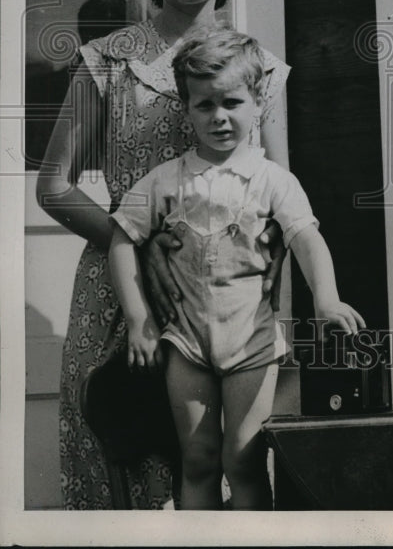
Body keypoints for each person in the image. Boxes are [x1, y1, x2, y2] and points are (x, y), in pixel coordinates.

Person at [36, 0, 288, 509]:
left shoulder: (261, 70)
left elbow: (278, 206)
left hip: (226, 304)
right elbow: (54, 185)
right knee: (127, 465)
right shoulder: (107, 60)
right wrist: (142, 251)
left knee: (232, 462)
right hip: (122, 302)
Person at [109, 28, 365, 509]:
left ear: (257, 101)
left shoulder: (273, 180)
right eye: (204, 105)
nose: (219, 117)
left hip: (251, 342)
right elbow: (123, 239)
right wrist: (138, 320)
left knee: (244, 459)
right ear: (186, 109)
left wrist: (326, 298)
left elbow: (307, 238)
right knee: (199, 459)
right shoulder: (167, 180)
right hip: (186, 341)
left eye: (231, 102)